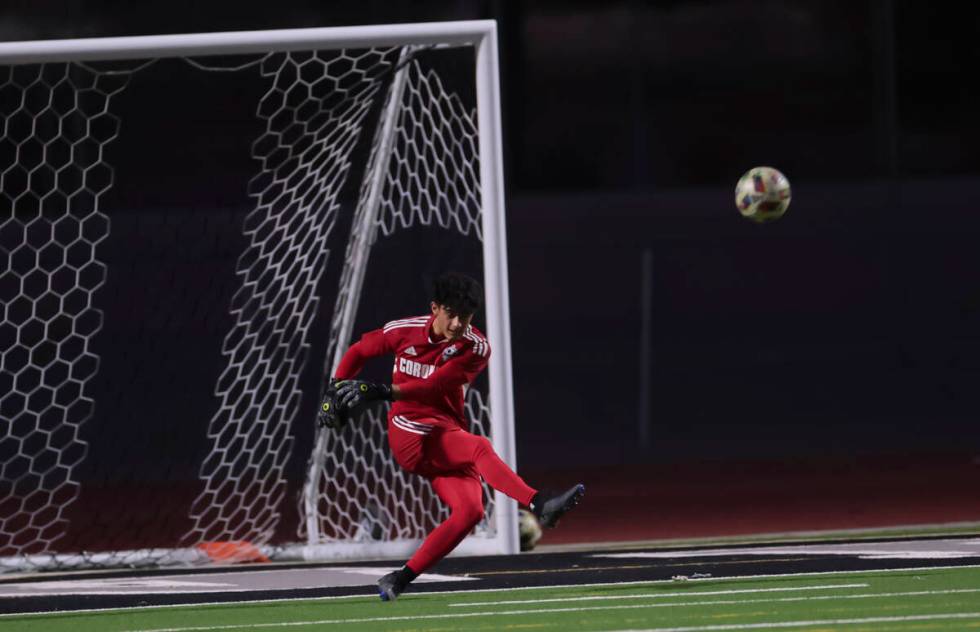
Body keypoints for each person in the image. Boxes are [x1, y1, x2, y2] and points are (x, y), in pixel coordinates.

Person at [324, 272, 584, 601]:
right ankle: (540, 503)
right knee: (479, 447)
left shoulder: (476, 347)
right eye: (452, 314)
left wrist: (379, 390)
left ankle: (400, 578)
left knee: (471, 511)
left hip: (444, 432)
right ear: (435, 308)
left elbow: (434, 386)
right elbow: (359, 350)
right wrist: (332, 391)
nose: (458, 323)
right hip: (410, 432)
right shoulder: (403, 331)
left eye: (467, 317)